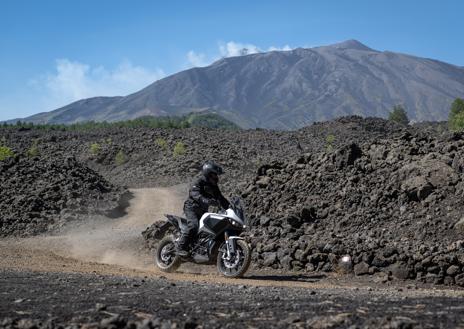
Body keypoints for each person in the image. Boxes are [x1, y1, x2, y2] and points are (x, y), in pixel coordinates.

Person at [177, 160, 230, 256]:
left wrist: (230, 208)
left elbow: (221, 199)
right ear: (208, 173)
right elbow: (195, 194)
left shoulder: (214, 187)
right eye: (215, 175)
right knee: (193, 226)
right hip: (191, 208)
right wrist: (207, 201)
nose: (216, 177)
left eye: (217, 175)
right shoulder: (198, 181)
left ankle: (200, 249)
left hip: (203, 211)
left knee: (209, 229)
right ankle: (180, 247)